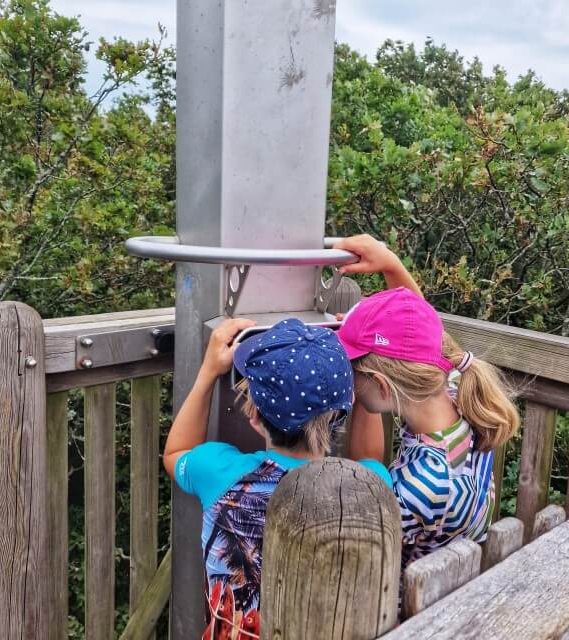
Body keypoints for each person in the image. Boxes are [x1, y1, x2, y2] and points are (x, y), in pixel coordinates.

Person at [163, 317, 392, 639]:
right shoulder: (371, 483)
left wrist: (207, 373)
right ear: (349, 403)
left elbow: (176, 453)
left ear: (254, 415)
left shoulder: (220, 474)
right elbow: (370, 460)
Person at [333, 234, 520, 571]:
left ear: (382, 386)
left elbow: (367, 481)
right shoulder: (455, 390)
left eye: (351, 369)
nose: (347, 378)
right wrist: (391, 264)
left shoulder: (419, 488)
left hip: (413, 611)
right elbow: (417, 333)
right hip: (459, 572)